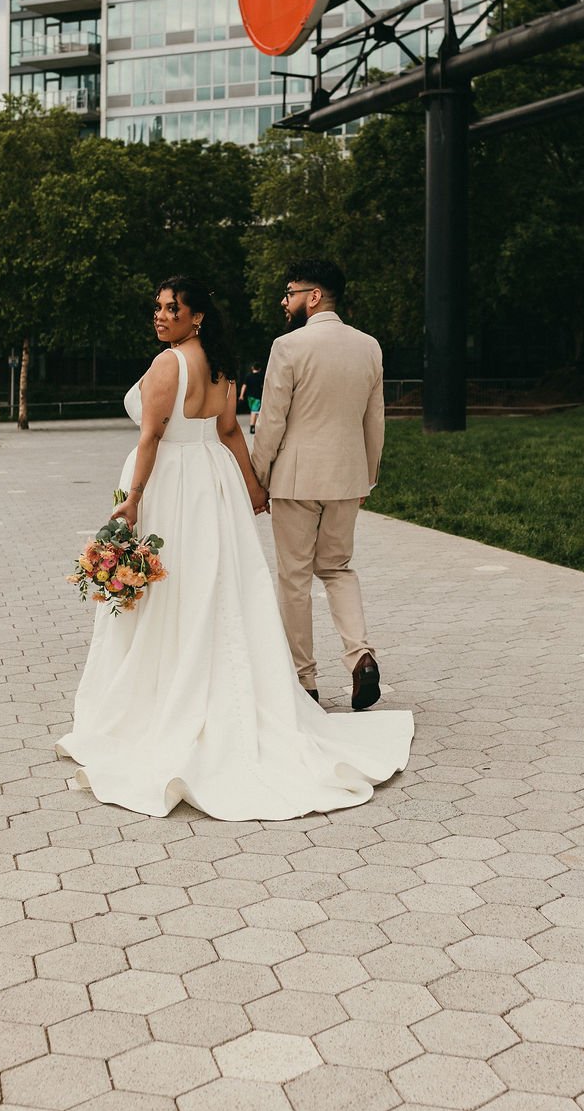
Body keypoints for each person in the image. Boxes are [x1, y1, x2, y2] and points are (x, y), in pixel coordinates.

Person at [56, 276, 412, 821]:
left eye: (171, 308)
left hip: (170, 485)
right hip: (212, 487)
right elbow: (229, 433)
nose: (160, 316)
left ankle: (164, 698)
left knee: (170, 592)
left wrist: (132, 500)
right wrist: (250, 487)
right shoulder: (221, 366)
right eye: (157, 307)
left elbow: (149, 438)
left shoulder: (166, 367)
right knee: (214, 585)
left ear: (195, 317)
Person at [250, 260, 385, 710]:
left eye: (289, 293)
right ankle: (360, 656)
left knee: (294, 578)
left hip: (295, 477)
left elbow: (272, 420)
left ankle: (304, 682)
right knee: (338, 568)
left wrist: (259, 476)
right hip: (347, 476)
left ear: (313, 296)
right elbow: (375, 420)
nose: (284, 302)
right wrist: (368, 474)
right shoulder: (369, 347)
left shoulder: (287, 347)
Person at [239, 361, 264, 435]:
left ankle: (254, 426)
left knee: (254, 410)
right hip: (257, 396)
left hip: (250, 397)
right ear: (259, 369)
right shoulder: (261, 376)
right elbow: (263, 386)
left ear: (252, 368)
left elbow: (244, 386)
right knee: (255, 411)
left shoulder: (248, 376)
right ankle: (252, 426)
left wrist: (241, 395)